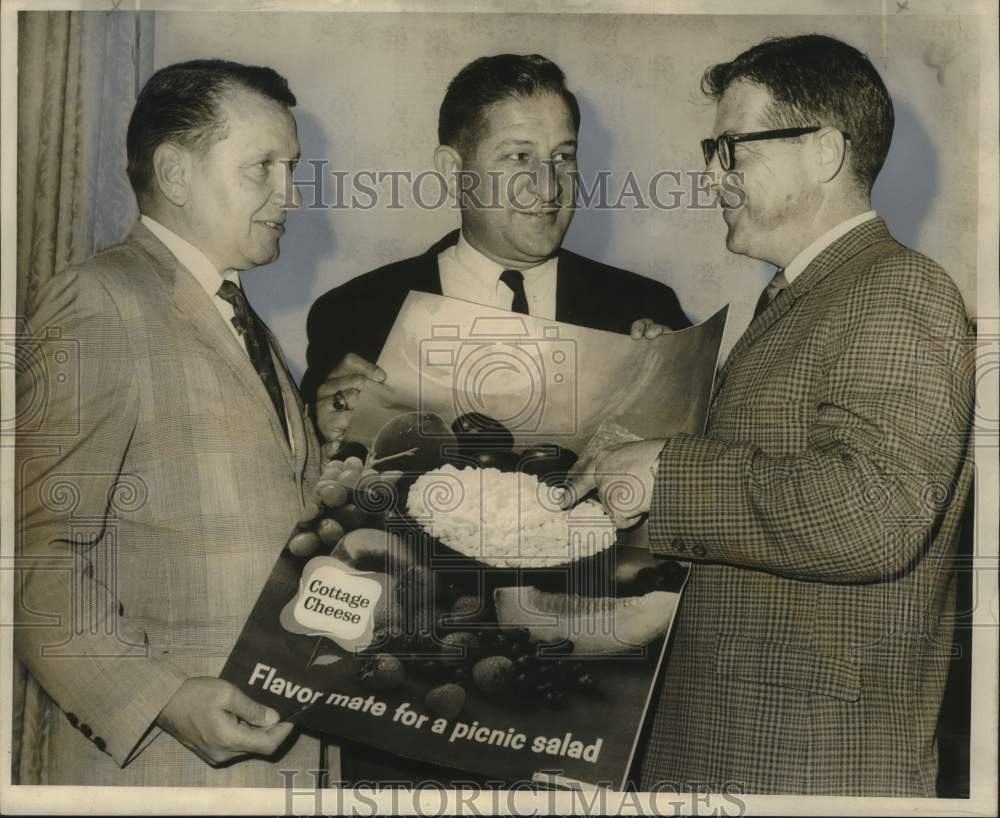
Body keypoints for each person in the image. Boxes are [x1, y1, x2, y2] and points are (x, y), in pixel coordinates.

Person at [565, 34, 974, 796]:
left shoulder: (897, 289)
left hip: (807, 762)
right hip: (741, 749)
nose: (713, 174)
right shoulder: (802, 297)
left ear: (823, 150)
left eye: (732, 148)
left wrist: (666, 468)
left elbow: (874, 510)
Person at [14, 59, 348, 786]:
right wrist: (162, 699)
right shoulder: (98, 301)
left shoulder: (237, 316)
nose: (291, 196)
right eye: (262, 167)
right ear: (174, 172)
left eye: (291, 168)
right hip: (166, 770)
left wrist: (326, 438)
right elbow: (35, 560)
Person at [300, 53, 690, 445]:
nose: (550, 187)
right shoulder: (352, 316)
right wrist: (325, 439)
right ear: (454, 171)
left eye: (563, 157)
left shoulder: (646, 310)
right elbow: (318, 486)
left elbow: (689, 481)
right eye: (519, 157)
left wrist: (670, 398)